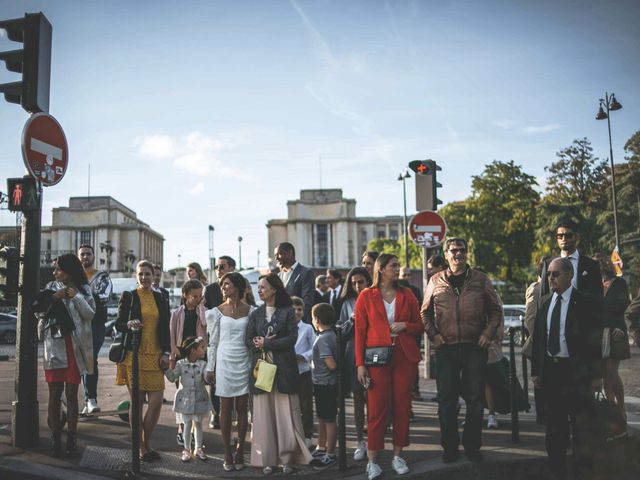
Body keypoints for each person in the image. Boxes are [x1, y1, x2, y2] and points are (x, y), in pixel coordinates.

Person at [421, 238, 502, 464]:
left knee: (475, 399)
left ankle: (473, 446)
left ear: (467, 253)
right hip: (445, 348)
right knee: (447, 401)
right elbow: (424, 313)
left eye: (462, 250)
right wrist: (434, 335)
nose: (458, 254)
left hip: (474, 346)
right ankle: (449, 447)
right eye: (453, 251)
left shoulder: (480, 279)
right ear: (445, 254)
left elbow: (496, 311)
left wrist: (487, 334)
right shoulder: (435, 280)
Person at [531, 258, 602, 479]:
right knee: (554, 425)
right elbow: (538, 340)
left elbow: (594, 342)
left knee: (581, 425)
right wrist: (536, 370)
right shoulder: (544, 302)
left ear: (569, 276)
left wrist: (596, 375)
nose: (550, 278)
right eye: (549, 274)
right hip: (552, 372)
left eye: (555, 274)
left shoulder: (584, 303)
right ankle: (557, 468)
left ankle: (583, 469)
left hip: (577, 372)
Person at [354, 254, 424, 479]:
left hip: (404, 356)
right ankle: (372, 462)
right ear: (381, 269)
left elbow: (420, 325)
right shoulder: (366, 295)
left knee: (403, 406)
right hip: (377, 359)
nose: (398, 269)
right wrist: (359, 364)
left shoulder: (408, 294)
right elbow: (360, 333)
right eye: (393, 266)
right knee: (377, 409)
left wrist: (405, 325)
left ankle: (397, 455)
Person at [246, 273, 312, 474]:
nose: (259, 290)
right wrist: (260, 343)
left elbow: (292, 339)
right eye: (258, 287)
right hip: (262, 370)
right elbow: (248, 341)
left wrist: (268, 343)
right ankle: (268, 459)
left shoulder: (287, 312)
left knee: (286, 414)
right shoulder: (255, 314)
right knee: (264, 415)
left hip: (284, 370)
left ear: (274, 289)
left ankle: (288, 459)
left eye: (263, 286)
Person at [33, 254, 96, 457]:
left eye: (58, 269)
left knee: (71, 393)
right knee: (54, 392)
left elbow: (90, 315)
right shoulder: (51, 286)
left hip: (75, 346)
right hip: (54, 346)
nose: (55, 272)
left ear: (69, 270)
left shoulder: (84, 289)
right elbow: (37, 311)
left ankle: (71, 436)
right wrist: (54, 297)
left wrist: (75, 296)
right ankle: (55, 436)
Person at [115, 260, 171, 462]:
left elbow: (166, 326)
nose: (145, 277)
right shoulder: (129, 296)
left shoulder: (160, 296)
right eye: (141, 274)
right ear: (136, 275)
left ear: (154, 276)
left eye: (148, 274)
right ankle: (141, 447)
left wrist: (166, 352)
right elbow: (119, 323)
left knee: (156, 403)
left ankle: (147, 442)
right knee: (137, 403)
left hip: (155, 354)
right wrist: (129, 323)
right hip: (134, 356)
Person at [205, 272, 254, 471]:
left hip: (244, 360)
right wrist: (210, 367)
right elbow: (213, 342)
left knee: (242, 407)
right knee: (225, 407)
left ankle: (241, 450)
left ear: (238, 286)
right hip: (224, 360)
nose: (224, 287)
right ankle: (227, 452)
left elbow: (253, 339)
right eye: (222, 284)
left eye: (228, 283)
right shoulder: (215, 312)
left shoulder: (251, 311)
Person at [337, 266, 371, 461]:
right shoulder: (347, 303)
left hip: (374, 352)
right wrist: (351, 320)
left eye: (361, 282)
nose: (358, 286)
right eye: (354, 283)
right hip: (353, 353)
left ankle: (374, 439)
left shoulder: (376, 298)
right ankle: (360, 442)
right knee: (358, 399)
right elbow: (340, 332)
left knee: (374, 400)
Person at [169, 279, 207, 447]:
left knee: (197, 391)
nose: (198, 299)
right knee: (182, 393)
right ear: (185, 295)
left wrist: (201, 309)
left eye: (200, 296)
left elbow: (205, 325)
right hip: (181, 354)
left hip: (198, 355)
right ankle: (181, 428)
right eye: (194, 296)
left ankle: (194, 430)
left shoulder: (202, 311)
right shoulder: (177, 313)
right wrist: (174, 351)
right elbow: (172, 333)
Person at [593, 253, 630, 418]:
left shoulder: (619, 283)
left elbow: (624, 307)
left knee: (611, 372)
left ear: (604, 265)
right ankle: (610, 410)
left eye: (596, 264)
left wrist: (621, 328)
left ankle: (621, 408)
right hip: (597, 334)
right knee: (602, 373)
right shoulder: (592, 286)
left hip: (615, 332)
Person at [77, 244, 112, 415]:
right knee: (78, 361)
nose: (85, 257)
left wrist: (78, 296)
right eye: (82, 254)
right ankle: (85, 399)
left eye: (88, 254)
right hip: (76, 324)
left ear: (93, 256)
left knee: (90, 359)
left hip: (95, 324)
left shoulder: (102, 276)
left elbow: (104, 297)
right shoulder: (73, 277)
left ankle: (91, 399)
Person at [165, 336, 210, 462]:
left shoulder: (203, 364)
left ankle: (199, 448)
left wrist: (210, 376)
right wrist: (166, 368)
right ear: (193, 350)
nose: (204, 350)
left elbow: (207, 377)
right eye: (202, 347)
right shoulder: (181, 364)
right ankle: (186, 449)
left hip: (199, 398)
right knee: (187, 423)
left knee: (199, 423)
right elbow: (173, 377)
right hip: (185, 399)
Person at [540, 219, 602, 299]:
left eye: (568, 235)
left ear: (576, 237)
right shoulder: (548, 264)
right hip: (557, 309)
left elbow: (598, 296)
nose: (563, 239)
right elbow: (544, 296)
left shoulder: (591, 265)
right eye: (560, 236)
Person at [309, 303, 339, 470]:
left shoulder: (323, 338)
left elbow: (332, 364)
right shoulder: (331, 334)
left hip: (325, 383)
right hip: (322, 383)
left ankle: (330, 453)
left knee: (328, 418)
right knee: (322, 417)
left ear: (317, 320)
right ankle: (322, 447)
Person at [292, 296, 316, 447]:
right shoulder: (284, 328)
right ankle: (293, 434)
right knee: (291, 405)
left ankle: (307, 436)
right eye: (293, 309)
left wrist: (304, 356)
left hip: (304, 371)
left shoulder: (307, 328)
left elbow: (314, 347)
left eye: (299, 309)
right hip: (288, 372)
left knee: (306, 405)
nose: (296, 312)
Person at [275, 242, 315, 324]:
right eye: (275, 255)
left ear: (290, 253)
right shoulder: (278, 276)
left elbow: (307, 301)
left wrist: (295, 320)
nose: (276, 258)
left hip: (298, 325)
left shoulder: (305, 273)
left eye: (279, 254)